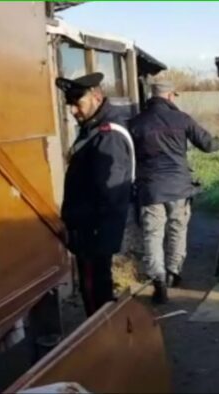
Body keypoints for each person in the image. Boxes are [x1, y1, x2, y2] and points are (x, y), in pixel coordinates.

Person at [129, 81, 219, 304]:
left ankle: (158, 279)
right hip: (179, 187)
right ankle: (174, 272)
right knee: (177, 230)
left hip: (151, 188)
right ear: (170, 96)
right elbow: (208, 145)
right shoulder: (181, 119)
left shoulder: (136, 123)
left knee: (153, 235)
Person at [55, 72, 135, 316]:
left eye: (77, 104)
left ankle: (102, 341)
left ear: (97, 97)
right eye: (69, 105)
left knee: (94, 293)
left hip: (93, 233)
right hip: (92, 231)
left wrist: (82, 227)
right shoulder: (94, 128)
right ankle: (104, 336)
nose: (72, 111)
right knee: (97, 288)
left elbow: (109, 193)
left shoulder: (107, 135)